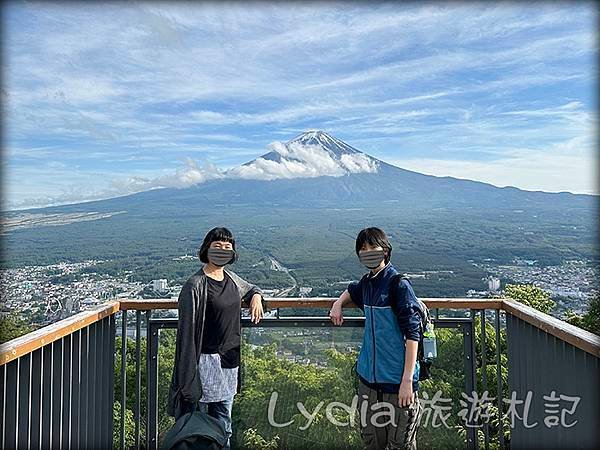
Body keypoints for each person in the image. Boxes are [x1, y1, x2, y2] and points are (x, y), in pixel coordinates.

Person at [167, 226, 266, 449]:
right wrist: (185, 378)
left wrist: (257, 297)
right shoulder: (195, 286)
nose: (222, 251)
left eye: (227, 247)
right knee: (198, 427)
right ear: (207, 249)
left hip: (228, 362)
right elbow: (185, 336)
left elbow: (250, 288)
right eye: (217, 246)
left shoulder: (230, 278)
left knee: (224, 424)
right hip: (203, 364)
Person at [329, 227, 423, 450]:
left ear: (385, 250)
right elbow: (353, 289)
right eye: (363, 249)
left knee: (401, 443)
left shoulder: (398, 285)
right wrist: (338, 303)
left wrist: (407, 381)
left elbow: (413, 334)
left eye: (373, 247)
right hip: (368, 382)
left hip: (397, 382)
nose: (368, 252)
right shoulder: (368, 282)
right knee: (372, 442)